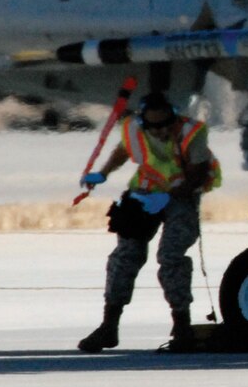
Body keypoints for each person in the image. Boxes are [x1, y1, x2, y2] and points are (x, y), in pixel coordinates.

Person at [76, 92, 222, 354]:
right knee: (125, 255)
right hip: (144, 193)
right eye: (155, 126)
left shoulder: (192, 132)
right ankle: (109, 326)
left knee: (171, 257)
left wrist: (168, 197)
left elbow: (198, 174)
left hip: (182, 195)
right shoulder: (133, 127)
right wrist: (103, 172)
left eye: (166, 124)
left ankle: (182, 327)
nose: (162, 130)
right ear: (145, 123)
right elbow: (124, 149)